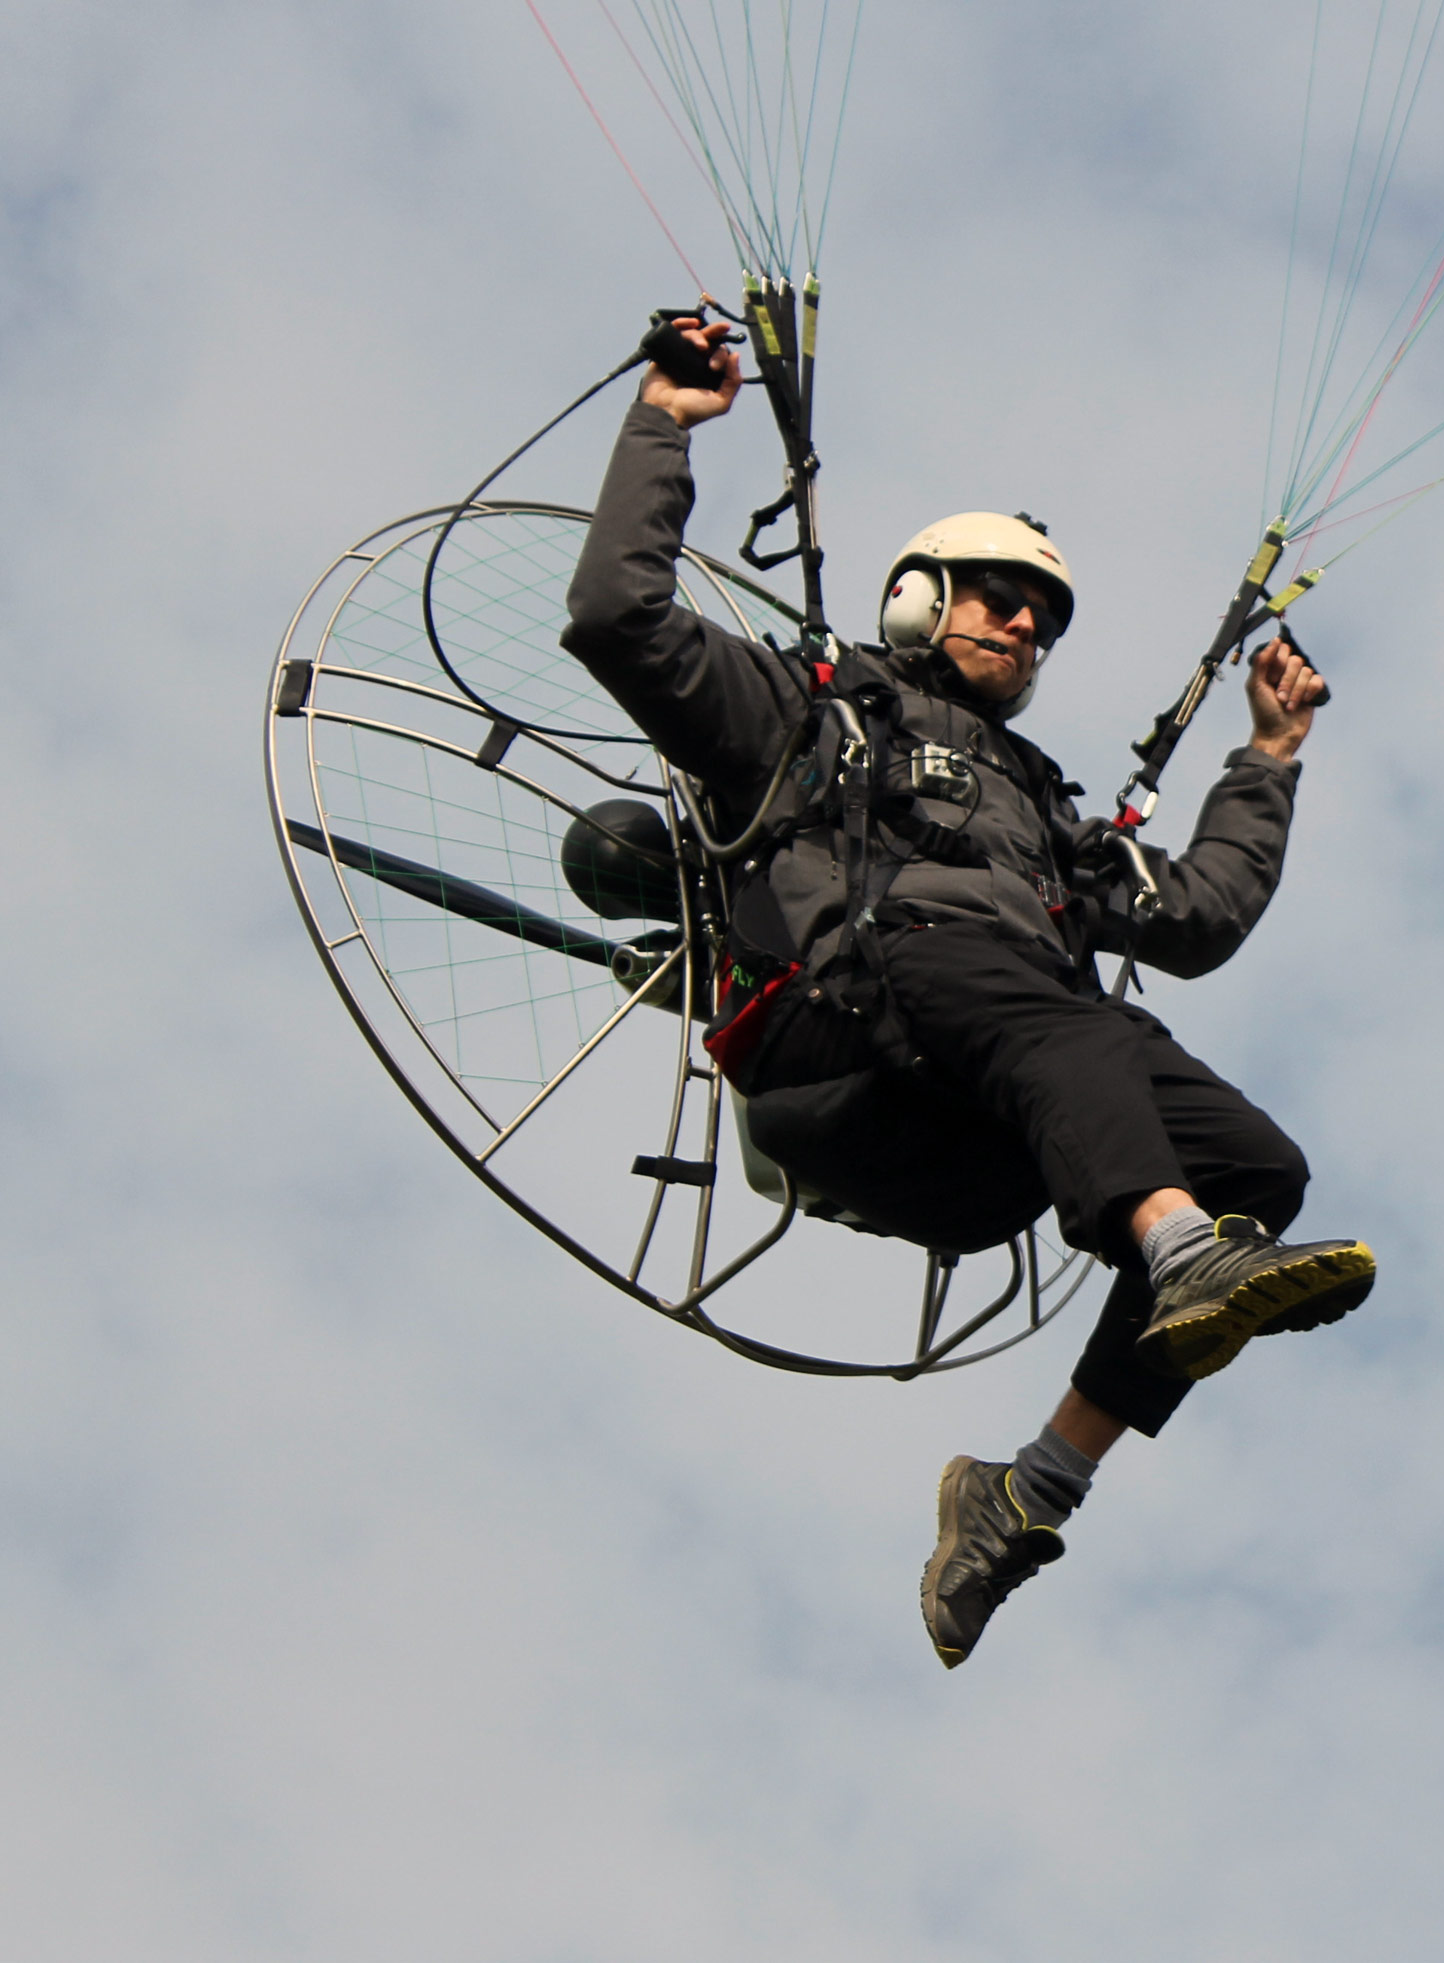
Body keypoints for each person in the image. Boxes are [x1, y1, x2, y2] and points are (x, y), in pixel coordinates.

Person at [561, 316, 1376, 1669]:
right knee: (1023, 992)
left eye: (1042, 616)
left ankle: (1029, 1493)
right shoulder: (807, 709)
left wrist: (1270, 759)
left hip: (987, 1120)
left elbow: (1202, 918)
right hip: (842, 1055)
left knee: (1257, 1165)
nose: (1023, 624)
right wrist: (666, 422)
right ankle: (1178, 1253)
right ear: (918, 600)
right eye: (997, 594)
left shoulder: (1046, 818)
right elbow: (614, 618)